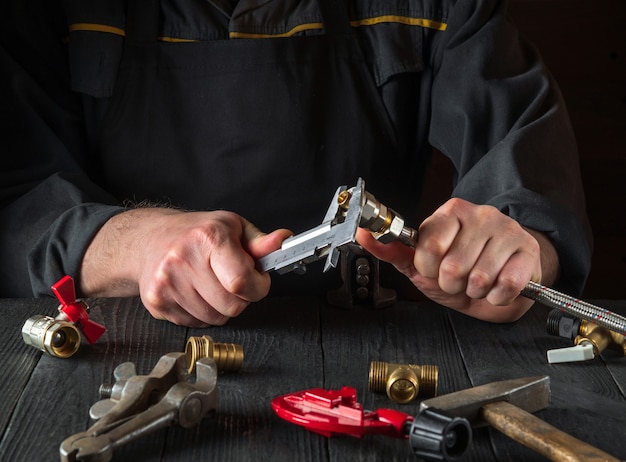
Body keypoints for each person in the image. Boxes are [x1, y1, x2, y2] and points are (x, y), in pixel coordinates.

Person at [0, 0, 592, 327]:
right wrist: (133, 244)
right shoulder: (45, 13)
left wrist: (515, 247)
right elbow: (15, 198)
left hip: (371, 346)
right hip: (115, 351)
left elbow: (522, 153)